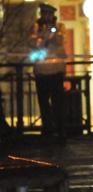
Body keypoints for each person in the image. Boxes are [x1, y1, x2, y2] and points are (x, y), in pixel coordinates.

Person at [29, 3, 66, 140]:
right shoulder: (35, 27)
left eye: (49, 14)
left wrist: (50, 34)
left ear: (53, 15)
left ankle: (60, 130)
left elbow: (59, 40)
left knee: (58, 103)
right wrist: (45, 37)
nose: (46, 16)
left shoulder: (59, 26)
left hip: (56, 71)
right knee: (44, 104)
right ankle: (48, 130)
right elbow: (34, 43)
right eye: (44, 14)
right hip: (41, 72)